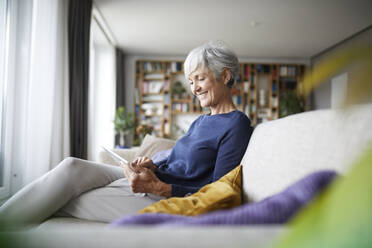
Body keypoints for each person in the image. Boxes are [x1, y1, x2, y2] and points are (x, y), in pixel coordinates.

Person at [0, 41, 253, 228]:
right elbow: (180, 161)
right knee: (72, 167)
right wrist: (152, 165)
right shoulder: (201, 121)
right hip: (157, 177)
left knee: (64, 198)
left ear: (225, 76)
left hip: (168, 197)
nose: (194, 88)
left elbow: (218, 192)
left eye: (199, 79)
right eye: (190, 81)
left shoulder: (236, 125)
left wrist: (159, 186)